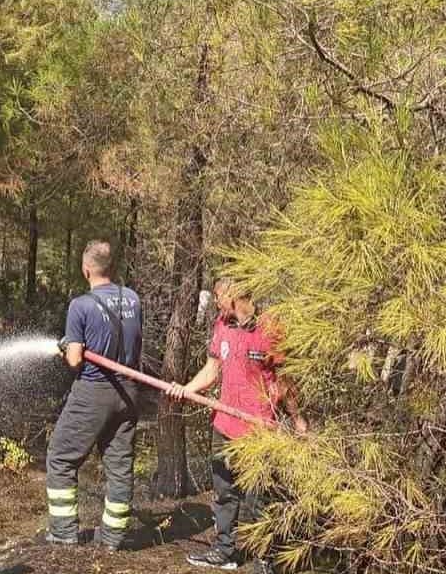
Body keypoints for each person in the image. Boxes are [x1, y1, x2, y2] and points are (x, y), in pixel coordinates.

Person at [168, 281, 308, 571]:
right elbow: (212, 368)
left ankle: (265, 559)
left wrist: (297, 419)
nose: (217, 303)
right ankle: (224, 550)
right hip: (224, 424)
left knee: (259, 499)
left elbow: (285, 381)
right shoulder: (222, 324)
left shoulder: (270, 328)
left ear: (234, 297)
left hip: (259, 430)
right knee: (224, 493)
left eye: (219, 297)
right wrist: (187, 389)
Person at [45, 240, 144, 550]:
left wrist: (66, 347)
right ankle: (113, 537)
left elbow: (75, 360)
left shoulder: (81, 305)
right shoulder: (132, 299)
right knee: (119, 466)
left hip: (93, 390)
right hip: (127, 391)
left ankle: (63, 532)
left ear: (86, 269)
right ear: (111, 268)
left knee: (61, 457)